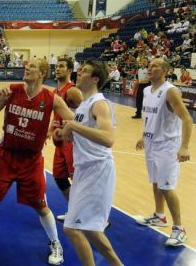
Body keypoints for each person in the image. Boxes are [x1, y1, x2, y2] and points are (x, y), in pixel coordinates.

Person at [0, 58, 74, 265]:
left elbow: (73, 118)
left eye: (31, 66)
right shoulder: (12, 90)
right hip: (6, 156)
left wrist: (65, 128)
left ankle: (55, 243)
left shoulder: (52, 98)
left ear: (41, 73)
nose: (26, 68)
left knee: (41, 206)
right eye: (26, 66)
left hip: (31, 160)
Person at [59, 61, 123, 266]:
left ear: (95, 79)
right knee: (90, 228)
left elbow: (108, 138)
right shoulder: (84, 104)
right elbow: (80, 132)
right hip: (84, 170)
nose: (79, 72)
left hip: (97, 169)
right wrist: (64, 132)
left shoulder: (99, 103)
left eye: (84, 71)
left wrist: (73, 126)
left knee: (72, 228)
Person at [135, 58, 192, 246]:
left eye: (155, 66)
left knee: (166, 186)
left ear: (166, 70)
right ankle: (159, 216)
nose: (150, 68)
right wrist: (144, 135)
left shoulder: (170, 91)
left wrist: (184, 147)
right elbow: (149, 116)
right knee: (156, 182)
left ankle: (179, 229)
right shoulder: (146, 90)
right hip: (152, 143)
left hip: (168, 146)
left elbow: (186, 119)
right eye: (149, 65)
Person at [48, 58, 83, 221]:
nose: (58, 69)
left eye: (62, 66)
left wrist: (66, 129)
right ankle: (76, 211)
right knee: (60, 177)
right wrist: (49, 130)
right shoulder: (55, 92)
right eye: (57, 66)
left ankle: (93, 215)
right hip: (59, 142)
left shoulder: (72, 91)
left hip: (72, 142)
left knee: (77, 179)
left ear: (70, 70)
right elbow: (56, 115)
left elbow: (85, 116)